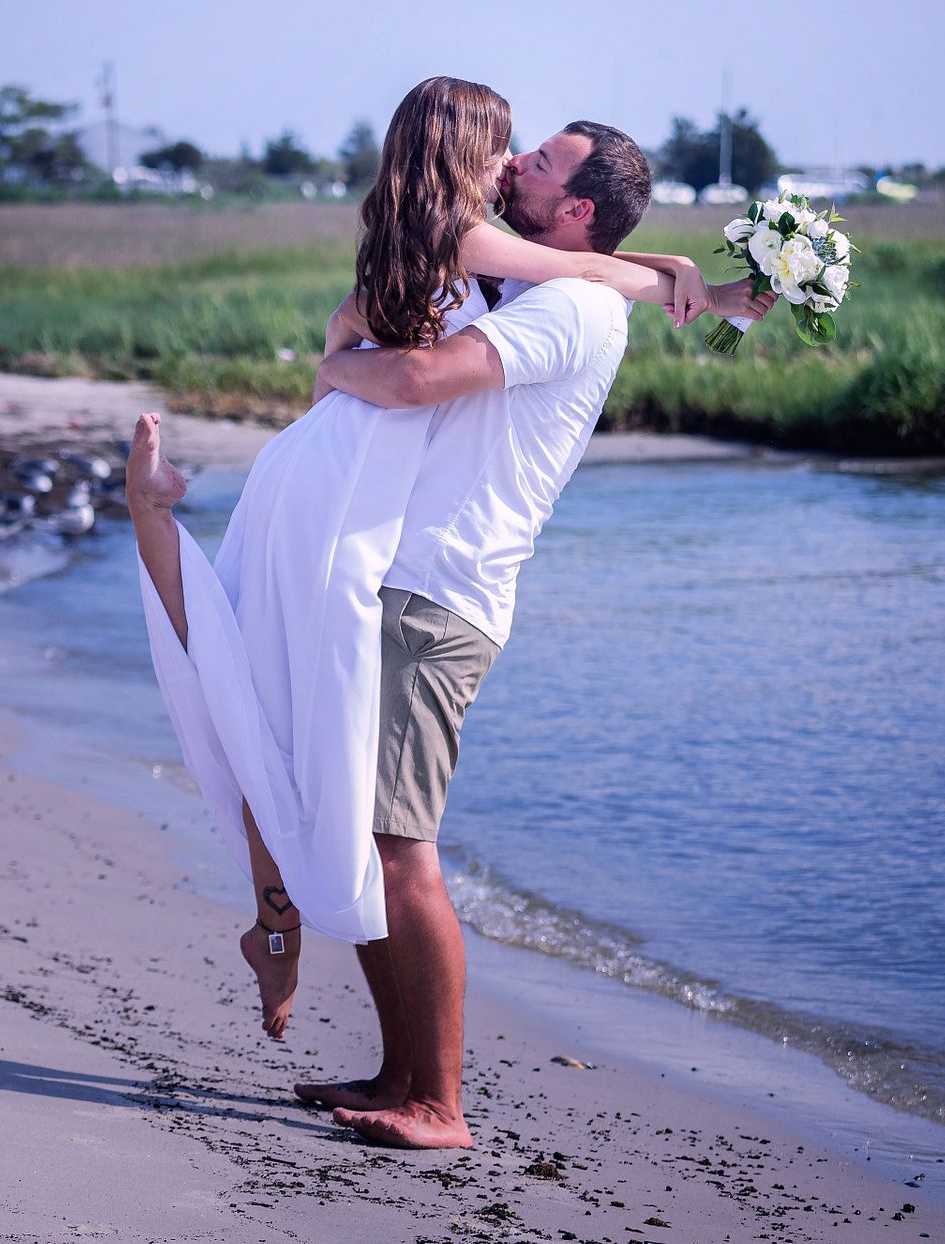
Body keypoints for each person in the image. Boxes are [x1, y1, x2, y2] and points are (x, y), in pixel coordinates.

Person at [127, 78, 773, 1141]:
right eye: (516, 151)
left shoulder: (569, 305)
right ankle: (394, 1075)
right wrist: (682, 275)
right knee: (362, 821)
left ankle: (437, 1098)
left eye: (541, 164)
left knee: (398, 843)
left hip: (440, 596)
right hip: (395, 576)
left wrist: (339, 365)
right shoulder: (534, 272)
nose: (516, 164)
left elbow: (423, 378)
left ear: (576, 207)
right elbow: (558, 264)